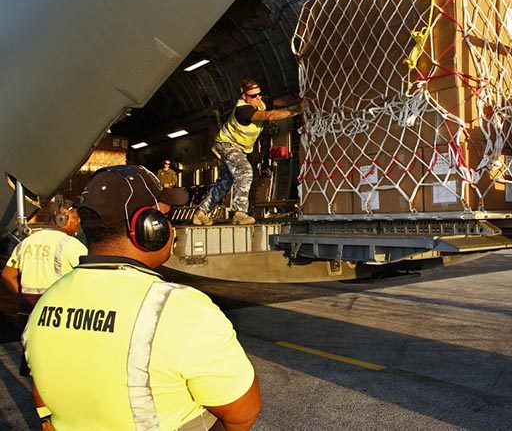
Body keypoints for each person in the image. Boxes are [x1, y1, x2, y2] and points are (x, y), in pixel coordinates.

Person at [23, 165, 262, 430]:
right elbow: (243, 412)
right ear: (149, 227)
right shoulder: (180, 309)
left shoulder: (45, 303)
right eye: (164, 217)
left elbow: (39, 387)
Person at [193, 79, 303, 226]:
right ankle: (239, 213)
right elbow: (269, 115)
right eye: (253, 96)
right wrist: (297, 110)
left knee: (225, 182)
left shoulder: (260, 101)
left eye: (259, 94)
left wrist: (299, 98)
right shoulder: (242, 110)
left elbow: (279, 101)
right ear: (245, 97)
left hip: (238, 147)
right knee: (245, 171)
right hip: (226, 144)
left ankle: (200, 213)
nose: (258, 98)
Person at [1, 196, 86, 376]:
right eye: (76, 218)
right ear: (61, 218)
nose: (79, 223)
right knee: (61, 367)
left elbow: (7, 275)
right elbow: (90, 277)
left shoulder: (26, 242)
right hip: (59, 316)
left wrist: (23, 296)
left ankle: (39, 405)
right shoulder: (71, 245)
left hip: (28, 312)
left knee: (35, 368)